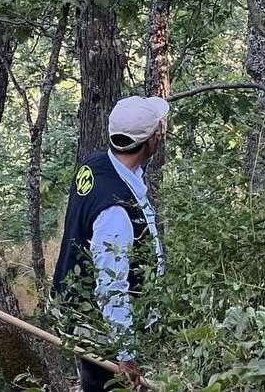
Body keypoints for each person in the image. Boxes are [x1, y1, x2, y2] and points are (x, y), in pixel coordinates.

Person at [52, 96, 169, 392]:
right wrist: (126, 354)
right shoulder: (114, 211)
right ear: (152, 140)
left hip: (90, 314)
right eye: (160, 128)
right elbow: (111, 287)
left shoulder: (95, 164)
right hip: (103, 329)